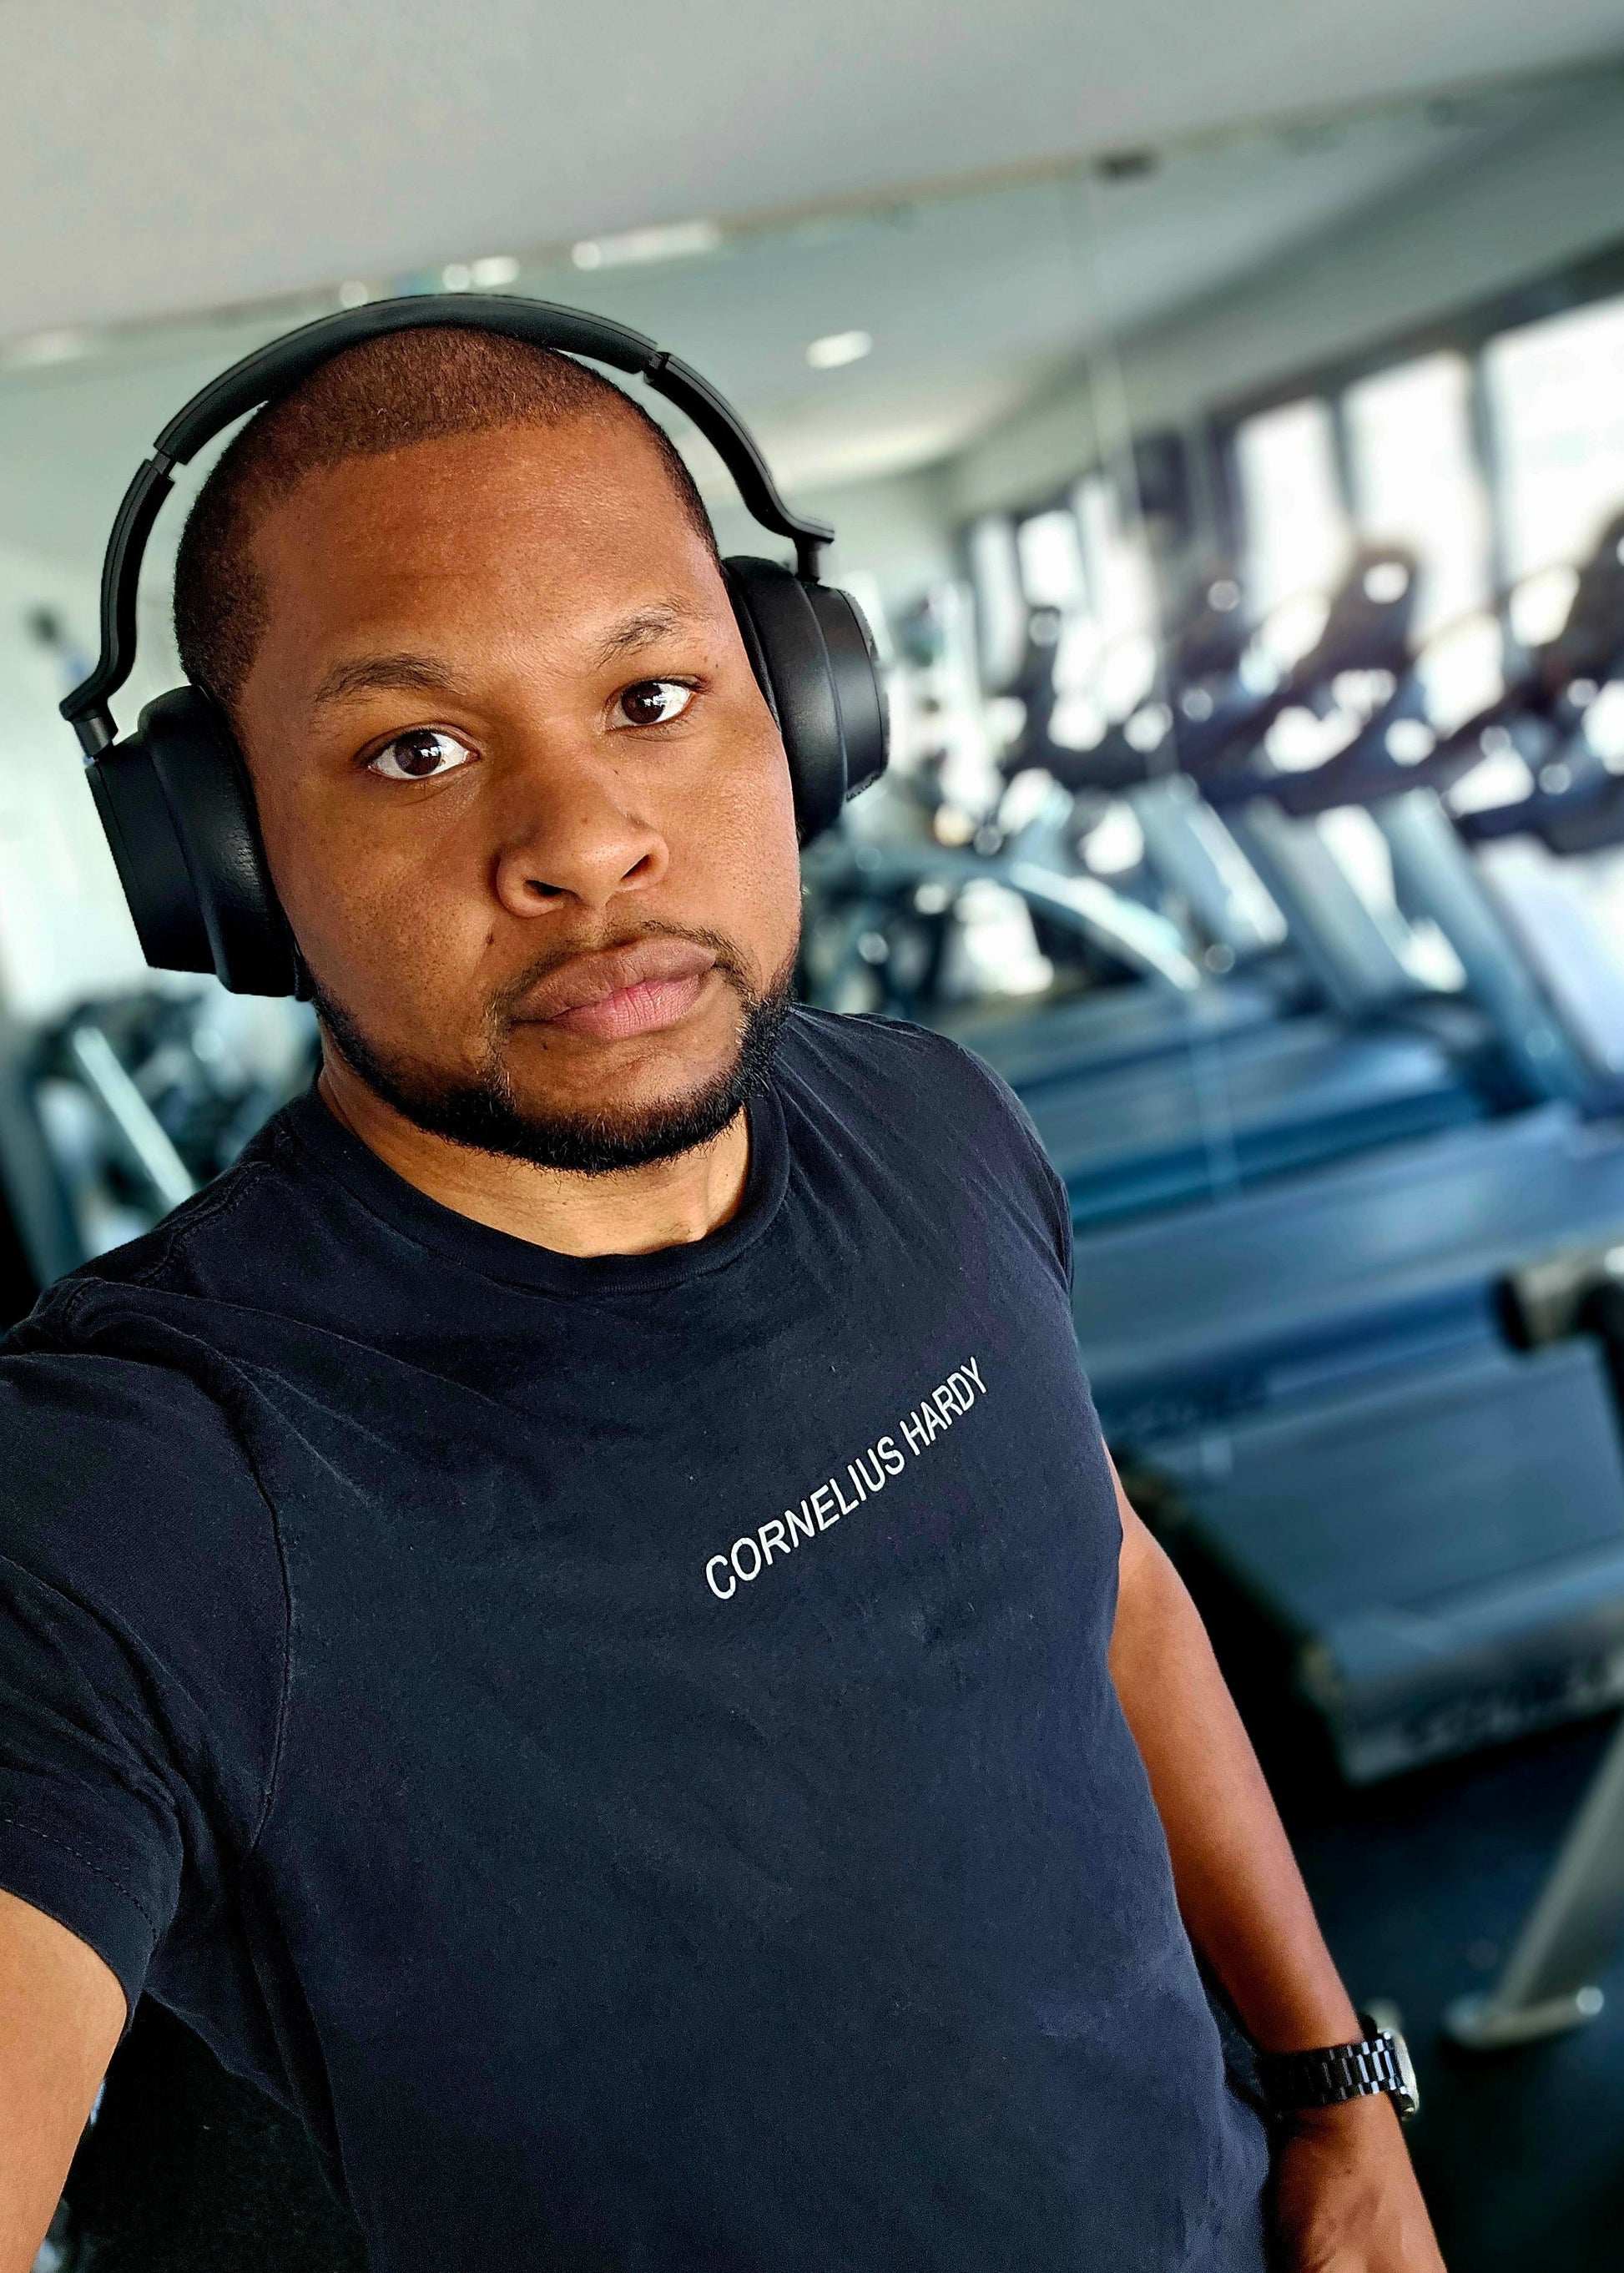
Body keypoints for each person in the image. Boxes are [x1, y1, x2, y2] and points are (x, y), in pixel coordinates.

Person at [0, 325, 1444, 2273]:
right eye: (415, 749)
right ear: (229, 862)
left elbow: (1098, 1584)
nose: (582, 841)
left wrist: (1329, 2092)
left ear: (803, 713)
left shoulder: (936, 1124)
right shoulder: (137, 1486)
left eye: (654, 692)